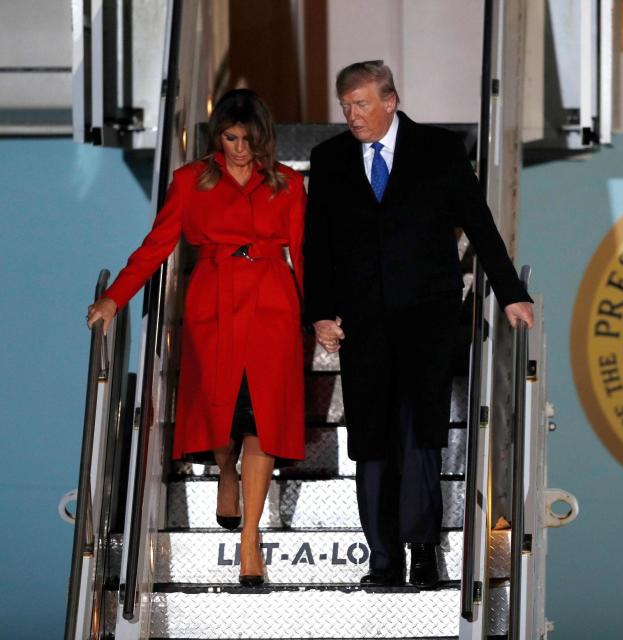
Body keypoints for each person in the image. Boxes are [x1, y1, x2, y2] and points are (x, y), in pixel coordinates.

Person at [303, 61, 534, 588]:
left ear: (390, 100)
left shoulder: (439, 150)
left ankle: (424, 550)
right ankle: (382, 557)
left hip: (427, 318)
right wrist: (319, 311)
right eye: (345, 106)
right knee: (370, 439)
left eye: (361, 104)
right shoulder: (330, 158)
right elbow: (318, 246)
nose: (352, 115)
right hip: (361, 323)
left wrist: (510, 293)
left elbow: (479, 223)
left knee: (419, 434)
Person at [86, 89, 305, 587]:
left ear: (263, 137)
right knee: (222, 419)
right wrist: (114, 298)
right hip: (214, 306)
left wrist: (321, 317)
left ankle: (250, 539)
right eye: (231, 138)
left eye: (249, 139)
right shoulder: (190, 181)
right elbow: (155, 246)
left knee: (262, 420)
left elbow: (305, 253)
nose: (240, 149)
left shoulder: (288, 184)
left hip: (273, 306)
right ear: (217, 136)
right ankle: (225, 473)